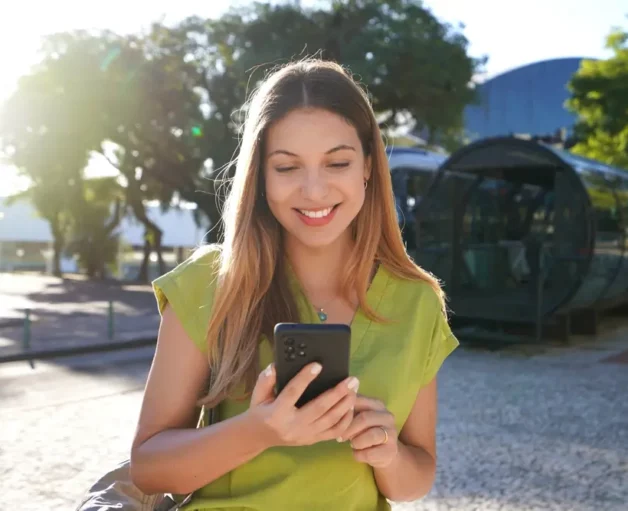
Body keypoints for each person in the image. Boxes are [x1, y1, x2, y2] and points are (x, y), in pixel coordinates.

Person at [129, 59, 459, 510]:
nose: (314, 190)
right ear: (261, 176)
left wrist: (388, 454)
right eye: (286, 168)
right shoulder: (209, 285)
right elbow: (148, 468)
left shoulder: (418, 303)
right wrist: (260, 430)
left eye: (337, 162)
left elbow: (414, 480)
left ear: (368, 165)